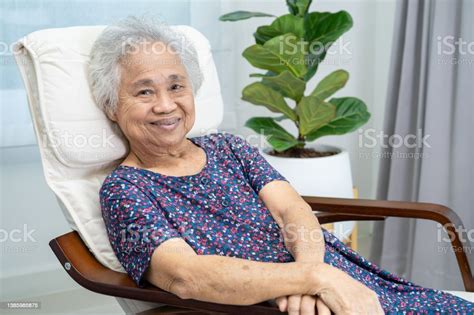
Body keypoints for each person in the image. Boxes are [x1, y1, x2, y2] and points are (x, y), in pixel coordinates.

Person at [90, 16, 473, 314]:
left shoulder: (229, 148)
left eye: (176, 86)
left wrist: (314, 275)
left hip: (332, 280)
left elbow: (293, 209)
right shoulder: (126, 190)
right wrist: (312, 278)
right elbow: (185, 277)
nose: (166, 104)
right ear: (111, 105)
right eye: (144, 91)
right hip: (273, 306)